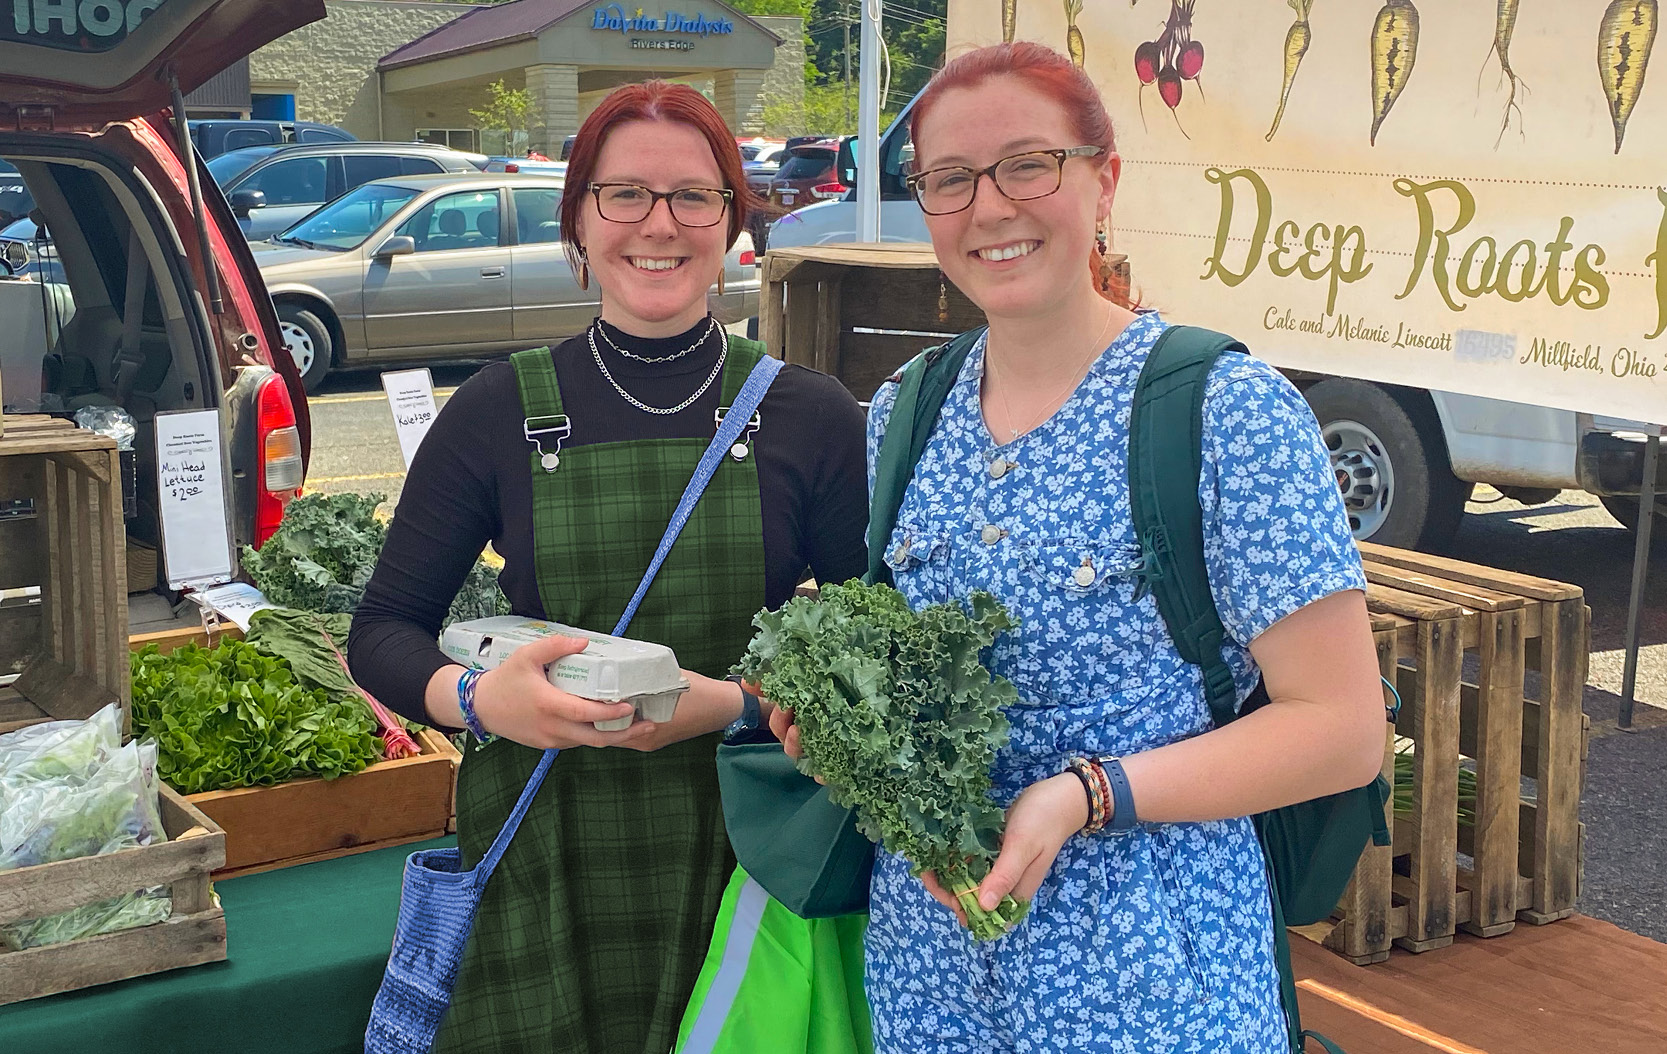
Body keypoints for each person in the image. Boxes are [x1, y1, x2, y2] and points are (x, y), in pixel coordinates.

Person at [770, 42, 1386, 1052]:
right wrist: (842, 736)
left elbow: (1340, 729)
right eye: (949, 180)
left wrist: (1086, 795)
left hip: (1154, 985)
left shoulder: (1223, 410)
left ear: (1102, 179)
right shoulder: (904, 413)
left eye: (1028, 163)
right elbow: (905, 687)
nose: (989, 207)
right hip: (933, 978)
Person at [350, 81, 869, 1054]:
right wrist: (474, 699)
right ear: (579, 220)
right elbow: (380, 631)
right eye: (623, 194)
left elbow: (868, 664)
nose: (656, 224)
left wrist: (738, 700)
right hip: (551, 847)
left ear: (730, 221)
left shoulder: (813, 417)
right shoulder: (498, 410)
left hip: (742, 855)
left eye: (692, 196)